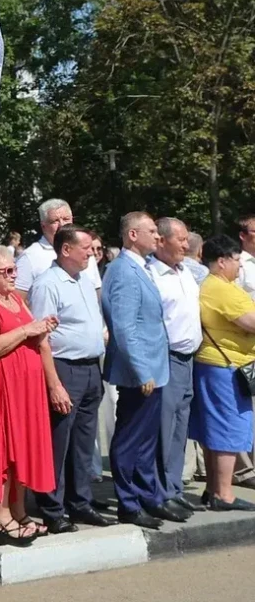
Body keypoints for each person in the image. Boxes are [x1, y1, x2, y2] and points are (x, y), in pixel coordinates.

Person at [102, 212, 189, 528]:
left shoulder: (141, 268)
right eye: (152, 231)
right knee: (130, 438)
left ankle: (148, 497)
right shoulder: (124, 271)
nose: (158, 236)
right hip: (140, 373)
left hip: (154, 367)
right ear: (133, 235)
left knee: (147, 440)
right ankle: (128, 503)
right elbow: (123, 328)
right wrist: (141, 371)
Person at [28, 225, 114, 533]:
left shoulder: (83, 280)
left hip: (91, 368)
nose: (91, 253)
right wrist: (53, 383)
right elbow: (41, 339)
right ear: (66, 250)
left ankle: (80, 502)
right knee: (58, 442)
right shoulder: (48, 284)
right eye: (86, 248)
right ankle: (53, 507)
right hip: (65, 369)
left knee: (83, 442)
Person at [0, 245, 56, 545]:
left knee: (23, 449)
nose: (12, 274)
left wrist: (41, 329)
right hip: (2, 388)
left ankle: (18, 511)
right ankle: (0, 516)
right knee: (3, 450)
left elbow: (31, 332)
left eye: (13, 269)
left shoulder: (17, 299)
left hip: (26, 389)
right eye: (5, 271)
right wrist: (28, 331)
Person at [190, 235, 255, 511]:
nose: (240, 266)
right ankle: (224, 494)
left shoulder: (221, 285)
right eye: (236, 260)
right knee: (229, 428)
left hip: (218, 366)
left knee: (215, 429)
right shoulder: (219, 288)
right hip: (224, 368)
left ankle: (214, 489)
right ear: (221, 262)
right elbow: (251, 322)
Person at [148, 218, 204, 514]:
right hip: (166, 360)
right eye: (180, 239)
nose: (187, 244)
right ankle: (159, 492)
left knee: (180, 428)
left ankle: (173, 487)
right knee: (163, 429)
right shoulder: (151, 275)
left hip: (188, 359)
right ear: (162, 241)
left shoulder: (185, 272)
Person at [16, 198, 102, 302]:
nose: (62, 225)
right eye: (55, 221)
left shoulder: (86, 252)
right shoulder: (29, 257)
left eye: (66, 219)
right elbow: (18, 301)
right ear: (43, 226)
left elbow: (97, 293)